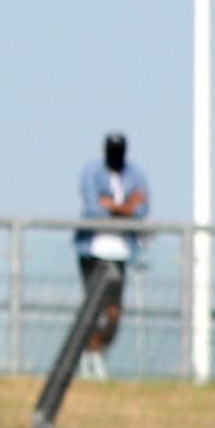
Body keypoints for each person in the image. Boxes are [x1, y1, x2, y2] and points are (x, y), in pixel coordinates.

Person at [73, 133, 150, 361]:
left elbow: (142, 207)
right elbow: (93, 208)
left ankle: (95, 351)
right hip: (92, 250)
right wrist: (126, 208)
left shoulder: (134, 173)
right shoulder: (92, 170)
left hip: (121, 252)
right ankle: (82, 352)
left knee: (114, 312)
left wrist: (114, 206)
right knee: (92, 307)